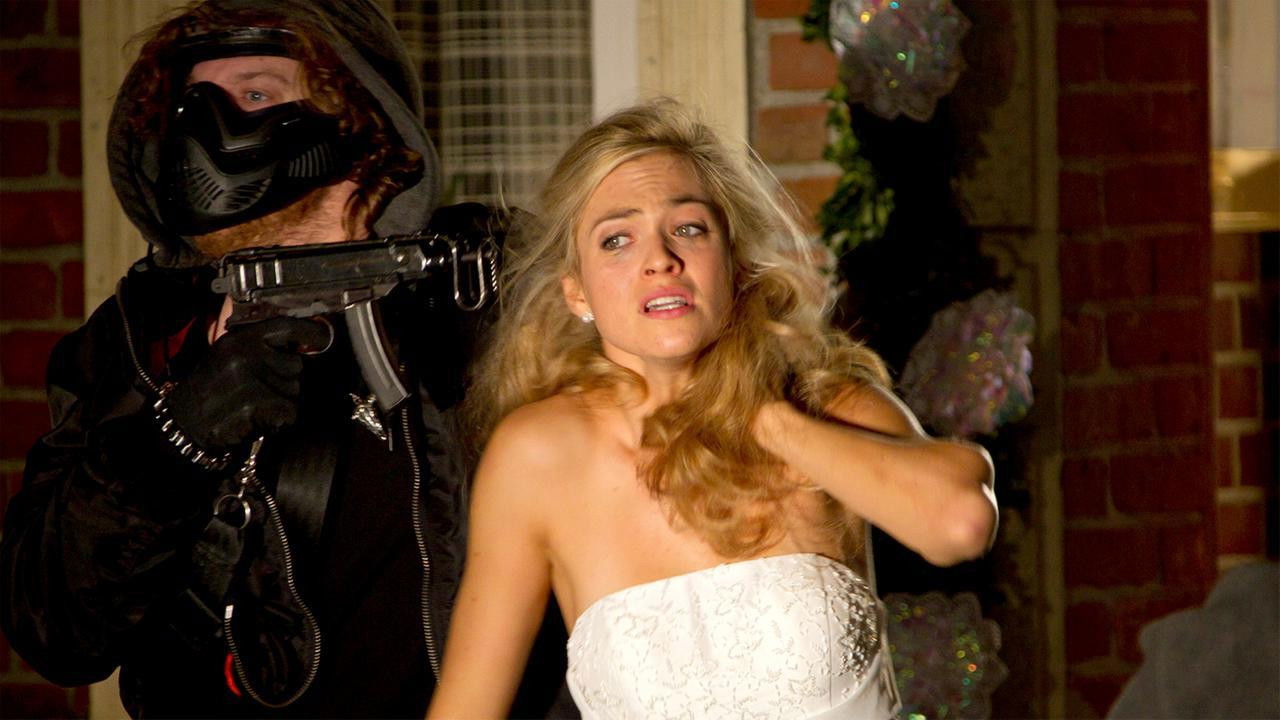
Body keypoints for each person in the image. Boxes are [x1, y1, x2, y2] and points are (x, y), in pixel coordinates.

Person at [0, 1, 563, 717]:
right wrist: (177, 439)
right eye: (192, 102)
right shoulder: (137, 340)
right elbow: (54, 632)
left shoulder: (487, 286)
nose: (209, 125)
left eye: (257, 93)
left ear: (356, 114)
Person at [426, 100, 999, 719]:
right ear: (577, 291)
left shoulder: (824, 403)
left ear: (735, 262)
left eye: (689, 228)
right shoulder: (537, 456)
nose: (660, 259)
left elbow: (960, 522)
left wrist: (761, 417)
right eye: (617, 240)